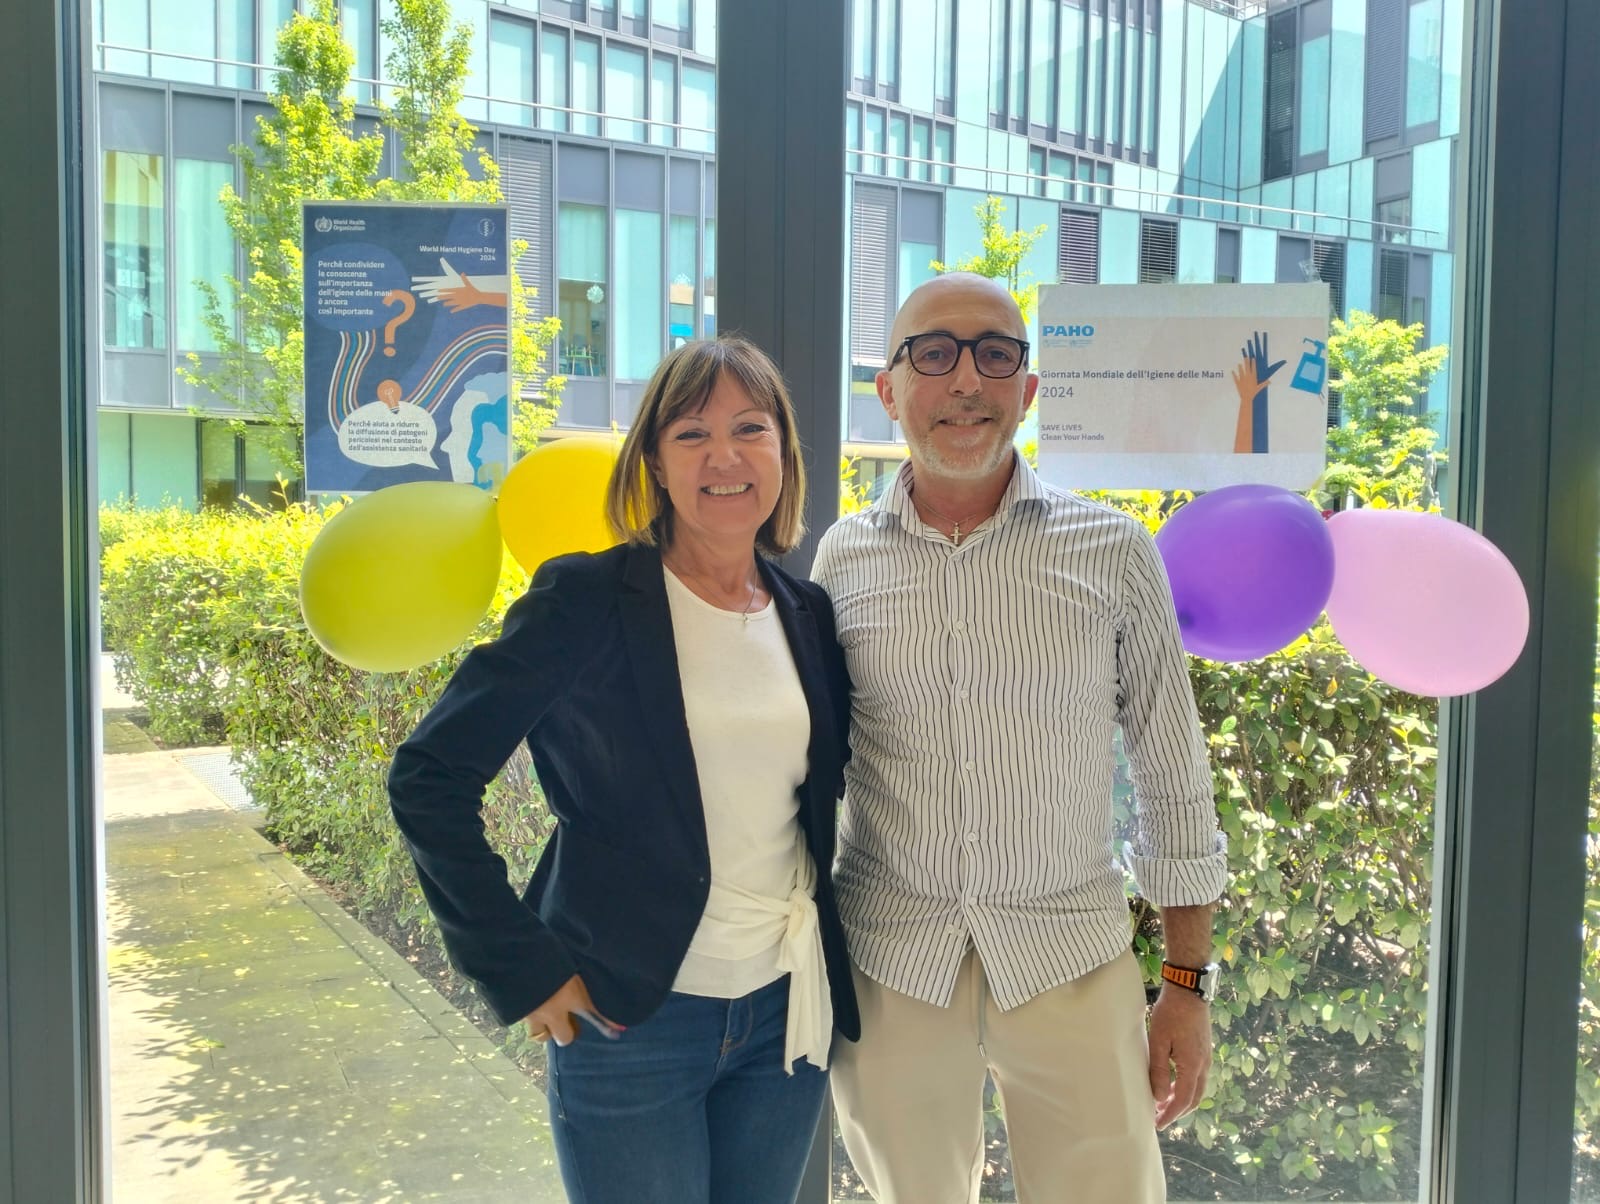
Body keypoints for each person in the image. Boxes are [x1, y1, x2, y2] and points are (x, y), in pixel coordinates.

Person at [389, 335, 860, 1204]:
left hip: (784, 1010)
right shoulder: (586, 600)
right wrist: (519, 965)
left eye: (750, 429)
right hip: (631, 1018)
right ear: (654, 460)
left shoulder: (806, 610)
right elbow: (429, 777)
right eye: (692, 433)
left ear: (783, 453)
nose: (724, 456)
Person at [812, 272, 1227, 1204]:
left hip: (1069, 954)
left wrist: (1186, 983)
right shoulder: (841, 558)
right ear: (888, 390)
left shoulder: (1115, 552)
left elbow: (1172, 775)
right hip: (891, 959)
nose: (967, 380)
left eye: (995, 354)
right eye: (934, 353)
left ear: (1028, 390)